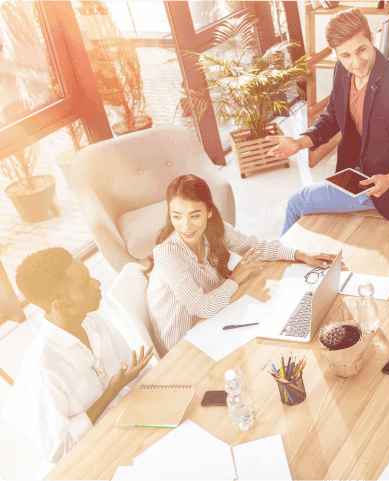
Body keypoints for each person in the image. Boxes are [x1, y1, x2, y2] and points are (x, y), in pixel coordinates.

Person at [268, 7, 389, 236]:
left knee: (297, 201)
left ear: (372, 38)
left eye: (361, 50)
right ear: (336, 54)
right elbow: (333, 117)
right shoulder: (341, 72)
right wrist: (299, 143)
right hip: (356, 174)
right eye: (345, 55)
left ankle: (279, 266)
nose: (356, 62)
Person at [144, 174, 335, 356]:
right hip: (182, 344)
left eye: (194, 216)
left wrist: (299, 255)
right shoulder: (168, 252)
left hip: (213, 321)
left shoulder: (215, 229)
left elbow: (255, 247)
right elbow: (203, 307)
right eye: (176, 216)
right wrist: (235, 279)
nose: (185, 226)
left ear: (209, 212)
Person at [2, 248, 154, 464]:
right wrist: (111, 391)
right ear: (61, 305)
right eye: (85, 284)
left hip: (133, 425)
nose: (97, 284)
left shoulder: (93, 321)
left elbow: (133, 373)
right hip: (99, 457)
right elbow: (61, 452)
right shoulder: (43, 369)